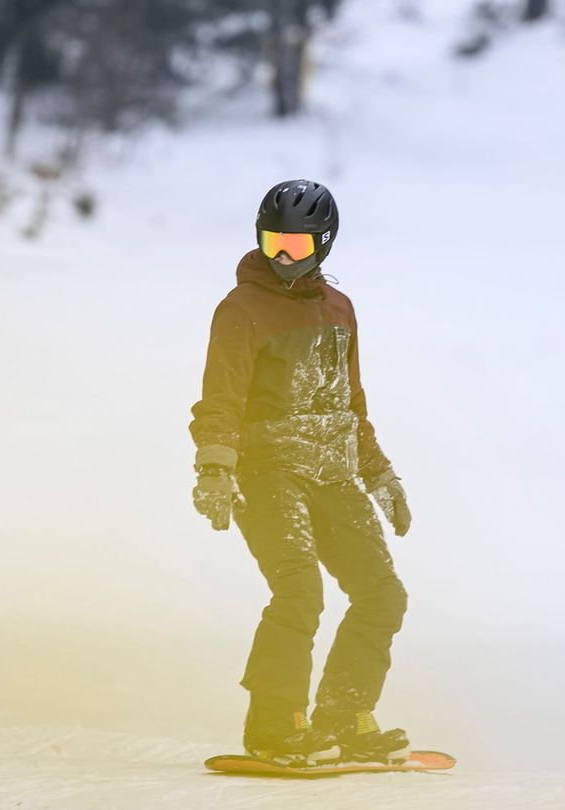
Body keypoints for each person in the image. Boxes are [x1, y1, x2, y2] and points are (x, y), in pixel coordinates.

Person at [189, 179, 414, 767]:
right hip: (267, 473)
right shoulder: (240, 310)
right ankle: (272, 726)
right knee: (299, 591)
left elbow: (350, 403)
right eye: (272, 242)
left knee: (381, 594)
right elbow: (220, 398)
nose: (283, 256)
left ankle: (343, 715)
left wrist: (380, 474)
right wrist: (215, 467)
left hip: (334, 472)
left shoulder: (339, 309)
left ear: (325, 244)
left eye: (297, 244)